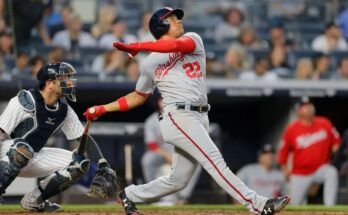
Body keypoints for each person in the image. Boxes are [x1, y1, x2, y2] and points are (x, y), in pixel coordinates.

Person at [84, 7, 290, 215]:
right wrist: (103, 108)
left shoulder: (193, 38)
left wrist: (138, 45)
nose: (179, 22)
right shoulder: (150, 62)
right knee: (214, 161)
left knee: (178, 180)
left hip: (200, 115)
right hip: (178, 115)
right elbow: (138, 95)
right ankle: (259, 205)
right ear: (161, 25)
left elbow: (174, 45)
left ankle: (130, 195)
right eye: (172, 19)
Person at [0, 62, 117, 212]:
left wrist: (102, 164)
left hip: (31, 155)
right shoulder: (23, 101)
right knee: (22, 149)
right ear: (49, 83)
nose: (69, 82)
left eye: (69, 77)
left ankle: (34, 200)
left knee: (78, 163)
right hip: (6, 153)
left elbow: (82, 138)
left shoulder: (64, 109)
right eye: (64, 78)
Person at [278, 97, 341, 205]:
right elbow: (283, 151)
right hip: (300, 173)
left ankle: (330, 208)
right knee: (295, 205)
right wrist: (284, 169)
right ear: (298, 111)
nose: (309, 107)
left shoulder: (324, 123)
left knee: (332, 172)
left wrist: (335, 154)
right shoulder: (292, 129)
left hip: (320, 168)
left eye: (310, 105)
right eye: (305, 106)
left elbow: (337, 142)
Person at [142, 95, 201, 205]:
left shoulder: (183, 118)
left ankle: (183, 197)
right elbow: (151, 145)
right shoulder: (151, 120)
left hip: (179, 152)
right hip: (161, 154)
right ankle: (152, 194)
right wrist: (166, 155)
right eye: (162, 99)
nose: (165, 102)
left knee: (196, 160)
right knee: (148, 159)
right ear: (158, 102)